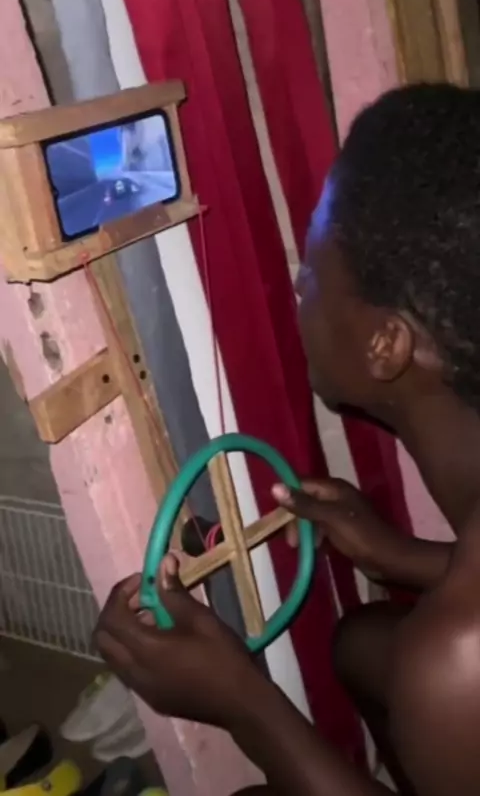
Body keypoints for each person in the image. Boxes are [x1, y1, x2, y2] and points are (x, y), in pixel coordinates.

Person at [94, 82, 480, 795]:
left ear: (385, 344)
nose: (297, 290)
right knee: (360, 644)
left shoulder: (458, 663)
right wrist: (403, 557)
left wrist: (245, 703)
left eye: (311, 274)